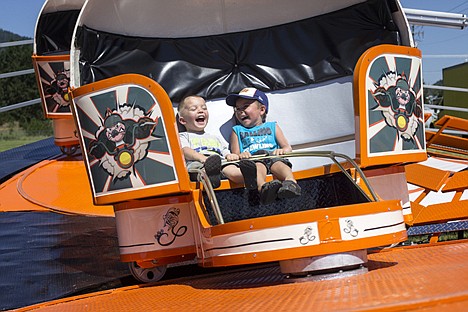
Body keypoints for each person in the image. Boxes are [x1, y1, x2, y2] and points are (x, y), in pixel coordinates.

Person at [226, 88, 301, 204]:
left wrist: (282, 151)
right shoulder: (237, 130)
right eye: (237, 109)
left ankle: (290, 183)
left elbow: (287, 147)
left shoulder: (273, 126)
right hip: (254, 159)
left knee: (279, 164)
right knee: (258, 167)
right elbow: (235, 154)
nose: (240, 112)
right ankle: (264, 189)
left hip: (272, 156)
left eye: (245, 107)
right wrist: (241, 155)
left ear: (261, 110)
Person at [177, 95, 257, 189]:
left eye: (204, 108)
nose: (200, 110)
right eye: (193, 109)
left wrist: (229, 155)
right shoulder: (183, 136)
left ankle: (246, 176)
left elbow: (224, 150)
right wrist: (202, 158)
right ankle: (212, 178)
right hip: (199, 162)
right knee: (199, 170)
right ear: (182, 120)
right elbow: (185, 150)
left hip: (220, 162)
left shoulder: (215, 137)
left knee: (231, 168)